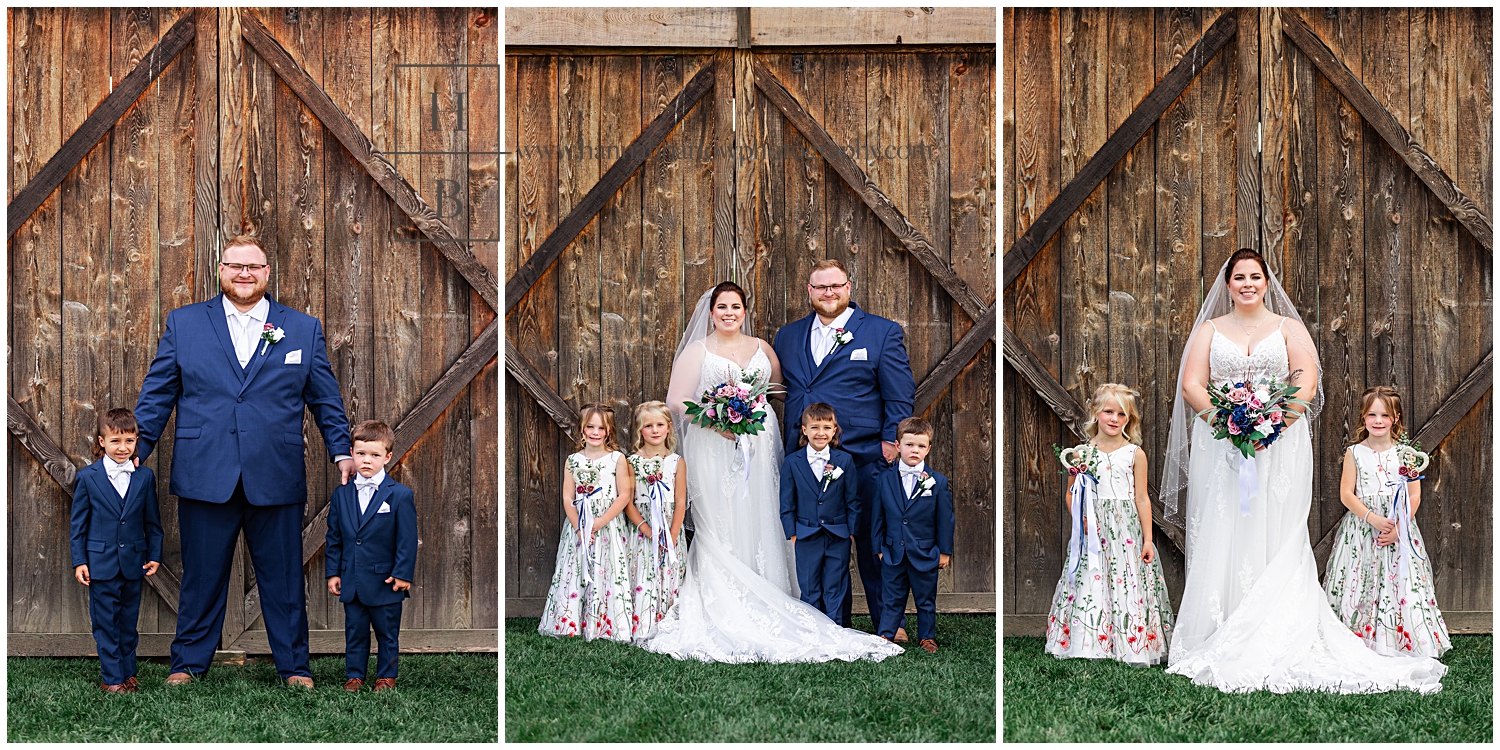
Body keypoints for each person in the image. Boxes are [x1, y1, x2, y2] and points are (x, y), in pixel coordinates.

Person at [1161, 247, 1445, 693]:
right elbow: (1192, 384)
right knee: (1224, 524)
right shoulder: (1210, 331)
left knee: (1277, 527)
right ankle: (1220, 627)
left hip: (1279, 445)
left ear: (1266, 283)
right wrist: (1230, 423)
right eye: (1239, 278)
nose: (1248, 284)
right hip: (1222, 446)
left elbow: (1305, 381)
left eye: (1255, 276)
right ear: (1228, 284)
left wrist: (1270, 424)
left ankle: (1277, 622)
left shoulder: (1288, 328)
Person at [640, 282, 900, 663]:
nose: (729, 313)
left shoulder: (762, 348)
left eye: (736, 306)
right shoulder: (699, 351)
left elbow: (781, 390)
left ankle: (772, 592)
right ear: (711, 312)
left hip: (760, 447)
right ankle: (726, 600)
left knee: (761, 515)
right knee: (722, 523)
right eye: (722, 307)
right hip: (715, 447)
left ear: (745, 311)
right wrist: (716, 417)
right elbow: (677, 400)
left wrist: (756, 408)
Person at [135, 234, 353, 688]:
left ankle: (294, 667)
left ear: (267, 272)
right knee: (201, 577)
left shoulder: (301, 328)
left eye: (253, 267)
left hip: (274, 471)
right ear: (221, 270)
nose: (244, 274)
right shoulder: (185, 323)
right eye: (236, 266)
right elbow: (157, 395)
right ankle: (188, 665)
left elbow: (326, 400)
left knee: (284, 578)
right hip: (204, 470)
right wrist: (137, 448)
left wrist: (341, 450)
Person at [772, 258, 916, 637]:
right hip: (806, 456)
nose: (828, 293)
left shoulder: (881, 332)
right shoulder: (787, 336)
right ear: (810, 291)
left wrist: (890, 443)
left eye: (835, 285)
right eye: (820, 287)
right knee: (818, 541)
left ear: (849, 287)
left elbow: (900, 395)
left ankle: (890, 621)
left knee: (871, 537)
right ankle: (827, 620)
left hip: (864, 454)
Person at [1045, 384, 1172, 665]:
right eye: (1108, 412)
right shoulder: (1081, 454)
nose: (1114, 419)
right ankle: (1089, 642)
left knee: (1126, 581)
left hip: (1125, 532)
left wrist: (1148, 539)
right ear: (1095, 413)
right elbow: (1071, 493)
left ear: (1130, 420)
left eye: (1122, 414)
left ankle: (1131, 643)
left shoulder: (1134, 454)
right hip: (1093, 530)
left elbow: (1141, 498)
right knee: (1091, 579)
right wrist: (1082, 520)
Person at [1323, 386, 1450, 657]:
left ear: (1396, 418)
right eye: (1372, 414)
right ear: (1363, 417)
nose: (1378, 421)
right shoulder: (1354, 452)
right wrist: (1373, 518)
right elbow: (1346, 494)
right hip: (1362, 529)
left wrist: (1399, 530)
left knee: (1398, 581)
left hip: (1398, 528)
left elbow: (1414, 496)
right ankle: (1358, 635)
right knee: (1360, 578)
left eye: (1384, 415)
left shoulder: (1407, 455)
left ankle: (1398, 637)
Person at [69, 408, 163, 693]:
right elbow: (78, 525)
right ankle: (112, 679)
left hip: (134, 562)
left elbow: (153, 522)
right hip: (100, 563)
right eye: (115, 441)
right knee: (106, 624)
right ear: (101, 441)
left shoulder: (144, 477)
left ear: (136, 441)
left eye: (129, 441)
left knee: (127, 624)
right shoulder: (88, 478)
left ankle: (128, 673)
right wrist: (79, 561)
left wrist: (155, 555)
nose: (123, 448)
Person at [325, 420, 418, 692]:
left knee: (387, 633)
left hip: (385, 580)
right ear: (351, 453)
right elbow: (335, 537)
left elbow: (407, 539)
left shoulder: (400, 495)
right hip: (352, 579)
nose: (367, 460)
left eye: (375, 455)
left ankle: (386, 676)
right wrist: (333, 572)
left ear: (387, 457)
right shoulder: (341, 495)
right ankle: (355, 676)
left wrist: (402, 573)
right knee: (355, 632)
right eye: (361, 453)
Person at [537, 403, 635, 641]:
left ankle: (605, 623)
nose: (595, 432)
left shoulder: (617, 459)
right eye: (590, 426)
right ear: (581, 429)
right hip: (578, 525)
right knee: (576, 570)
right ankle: (571, 623)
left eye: (601, 428)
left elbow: (624, 495)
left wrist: (599, 522)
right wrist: (580, 527)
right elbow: (568, 496)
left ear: (609, 431)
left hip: (607, 525)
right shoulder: (573, 460)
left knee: (606, 569)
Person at [871, 417, 953, 652]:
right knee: (891, 598)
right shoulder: (884, 479)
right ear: (898, 446)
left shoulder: (937, 482)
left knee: (925, 599)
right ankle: (886, 634)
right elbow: (877, 516)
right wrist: (878, 548)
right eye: (909, 445)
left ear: (928, 448)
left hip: (925, 552)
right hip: (892, 551)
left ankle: (927, 636)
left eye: (920, 446)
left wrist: (944, 551)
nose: (914, 450)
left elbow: (945, 519)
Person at [780, 403, 861, 623]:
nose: (821, 433)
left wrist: (850, 532)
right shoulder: (792, 462)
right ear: (805, 430)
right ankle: (813, 630)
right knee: (809, 586)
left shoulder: (844, 461)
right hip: (806, 534)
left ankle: (835, 629)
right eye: (815, 427)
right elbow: (786, 503)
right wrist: (793, 534)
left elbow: (852, 500)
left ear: (834, 430)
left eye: (827, 427)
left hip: (838, 535)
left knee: (835, 586)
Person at [623, 401, 687, 641]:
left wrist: (671, 534)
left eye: (660, 424)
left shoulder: (676, 462)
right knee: (642, 570)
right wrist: (647, 529)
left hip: (671, 527)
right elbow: (628, 502)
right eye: (648, 426)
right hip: (643, 530)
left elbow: (680, 501)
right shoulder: (631, 462)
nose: (655, 430)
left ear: (669, 428)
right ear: (640, 430)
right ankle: (641, 618)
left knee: (668, 570)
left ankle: (667, 616)